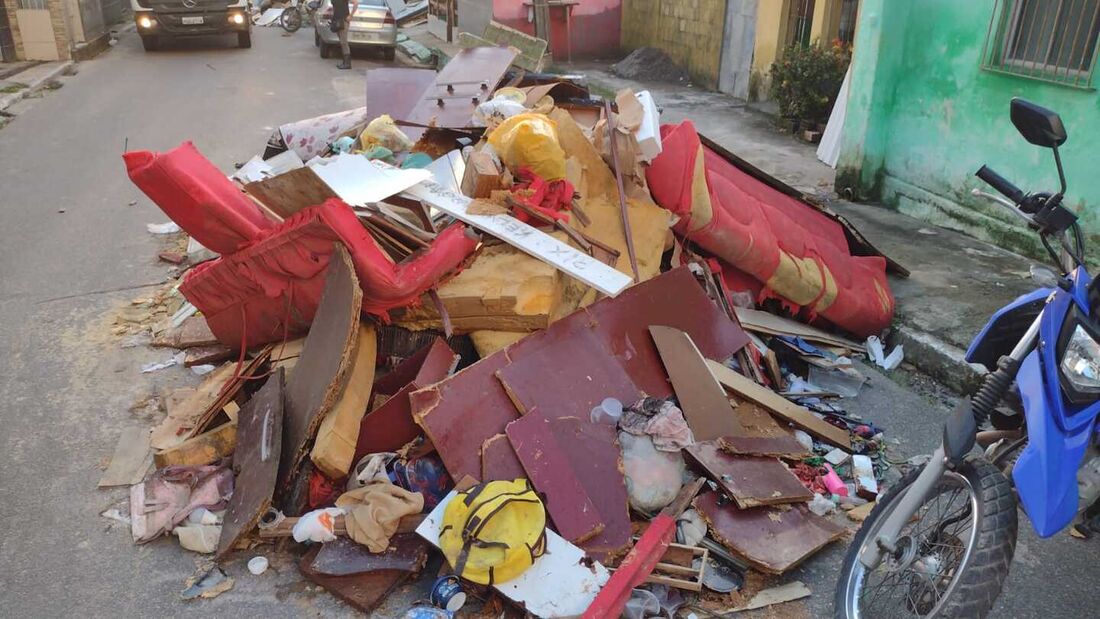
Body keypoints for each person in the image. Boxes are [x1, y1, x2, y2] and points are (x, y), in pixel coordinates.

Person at [331, 0, 357, 70]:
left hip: (343, 20)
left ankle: (347, 63)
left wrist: (351, 16)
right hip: (337, 20)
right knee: (342, 41)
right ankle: (345, 62)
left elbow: (356, 2)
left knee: (343, 41)